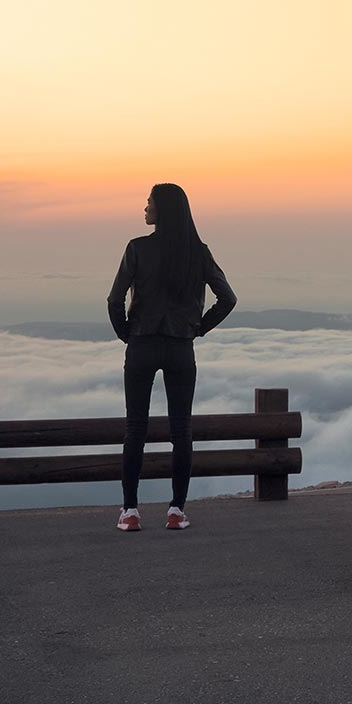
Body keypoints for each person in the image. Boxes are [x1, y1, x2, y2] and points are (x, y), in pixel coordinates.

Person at [106, 183, 237, 531]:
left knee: (135, 428)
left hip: (142, 344)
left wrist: (127, 334)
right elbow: (228, 298)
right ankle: (176, 511)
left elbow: (115, 299)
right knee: (182, 430)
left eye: (149, 203)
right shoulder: (198, 252)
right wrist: (198, 328)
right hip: (181, 347)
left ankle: (130, 512)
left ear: (161, 209)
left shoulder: (137, 248)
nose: (144, 208)